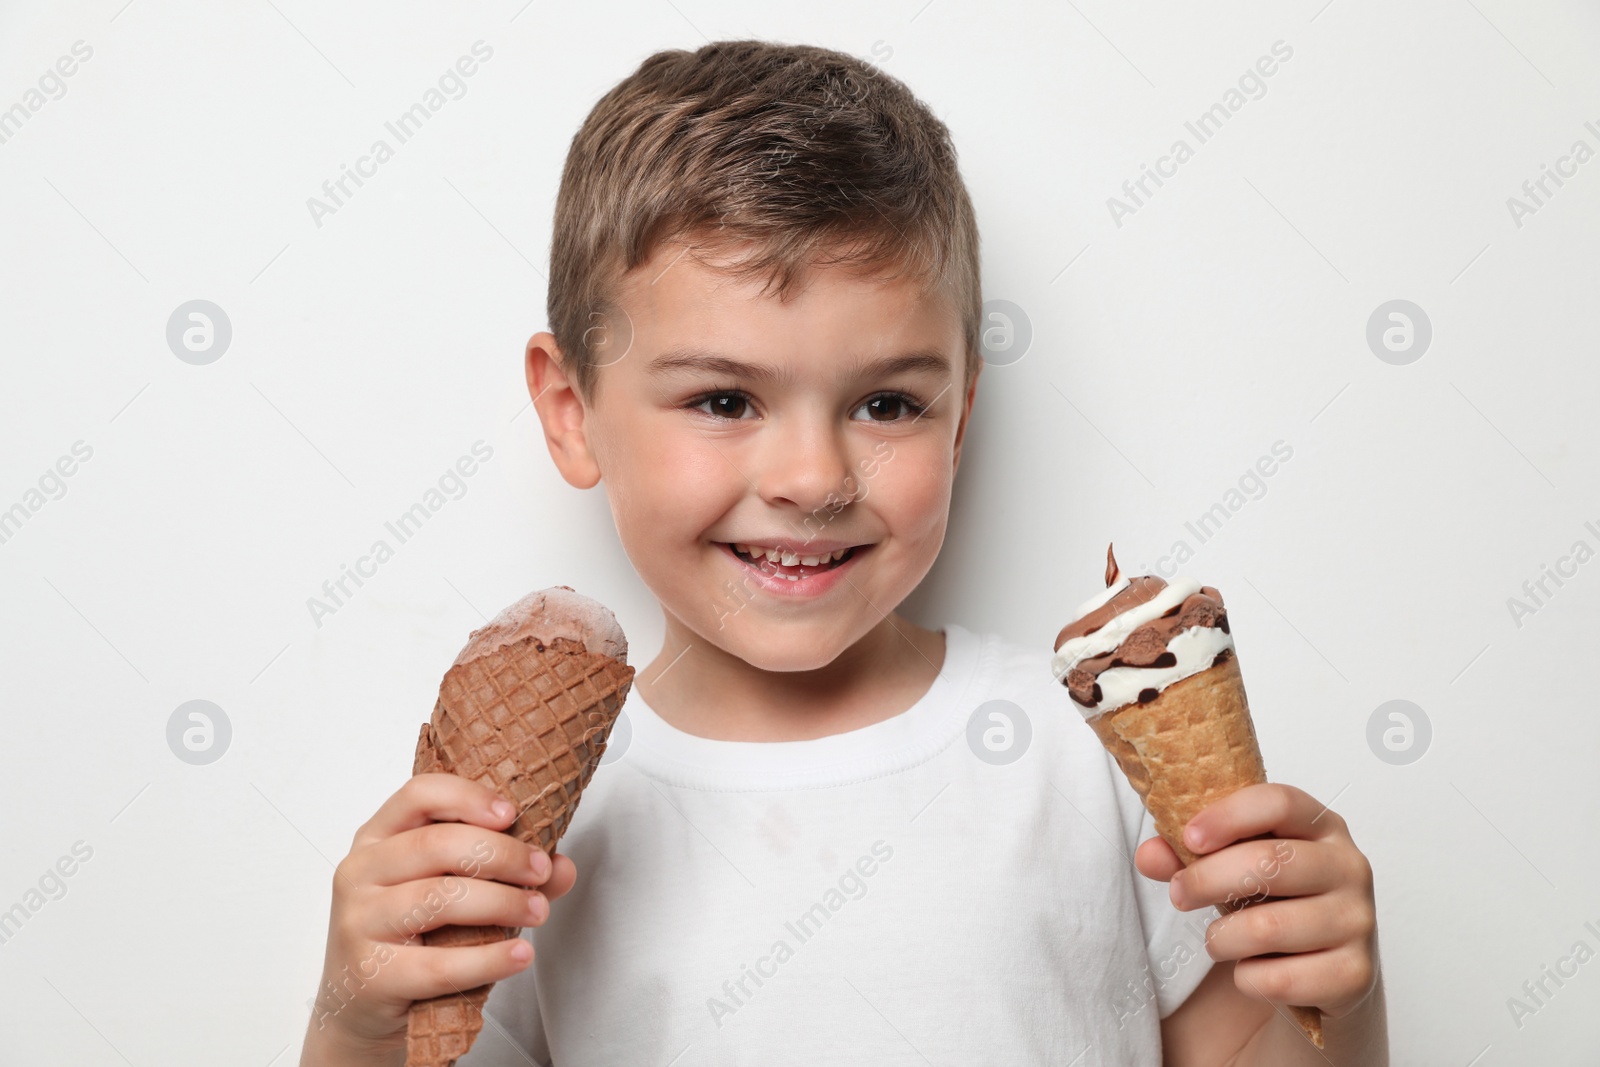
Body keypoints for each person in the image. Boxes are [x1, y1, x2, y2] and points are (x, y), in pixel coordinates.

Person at [300, 39, 1386, 1066]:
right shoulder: (526, 825)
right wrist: (353, 1025)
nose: (813, 478)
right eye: (724, 397)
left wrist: (1339, 990)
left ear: (959, 419)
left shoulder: (1087, 758)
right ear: (572, 409)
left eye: (886, 402)